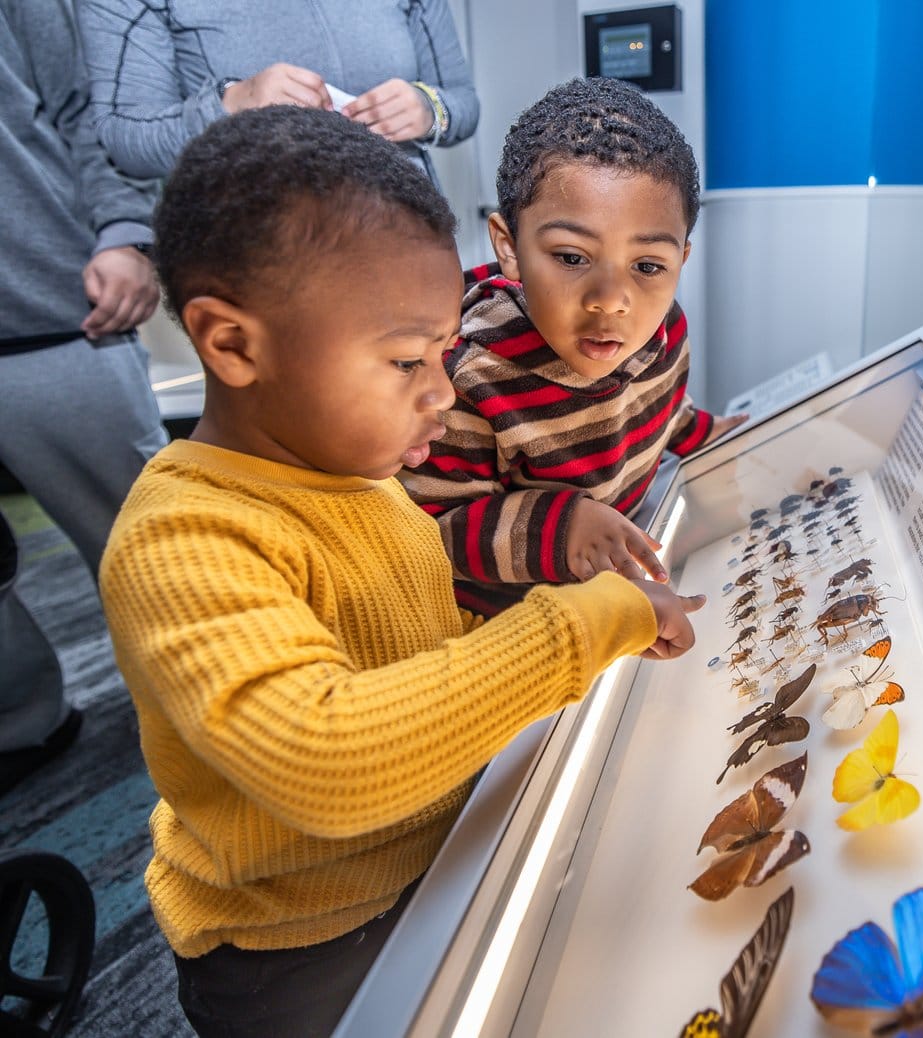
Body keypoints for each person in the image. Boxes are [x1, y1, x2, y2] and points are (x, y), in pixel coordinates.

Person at [97, 105, 703, 1037]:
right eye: (405, 360)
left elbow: (426, 635)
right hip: (299, 945)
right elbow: (325, 761)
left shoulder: (363, 481)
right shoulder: (181, 538)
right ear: (232, 344)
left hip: (434, 860)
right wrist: (576, 626)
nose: (444, 390)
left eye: (443, 351)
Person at [399, 77, 746, 617]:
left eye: (648, 266)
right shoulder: (469, 376)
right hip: (507, 623)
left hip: (607, 590)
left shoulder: (662, 328)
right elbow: (433, 531)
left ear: (681, 257)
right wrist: (564, 529)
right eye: (571, 257)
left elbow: (658, 409)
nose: (612, 302)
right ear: (510, 249)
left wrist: (707, 433)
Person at [0, 0, 168, 796]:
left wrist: (126, 232)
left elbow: (81, 104)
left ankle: (222, 734)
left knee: (151, 550)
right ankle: (23, 726)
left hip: (50, 308)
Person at [76, 0, 478, 184]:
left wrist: (429, 108)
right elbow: (124, 137)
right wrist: (231, 106)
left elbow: (462, 102)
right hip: (260, 266)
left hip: (412, 242)